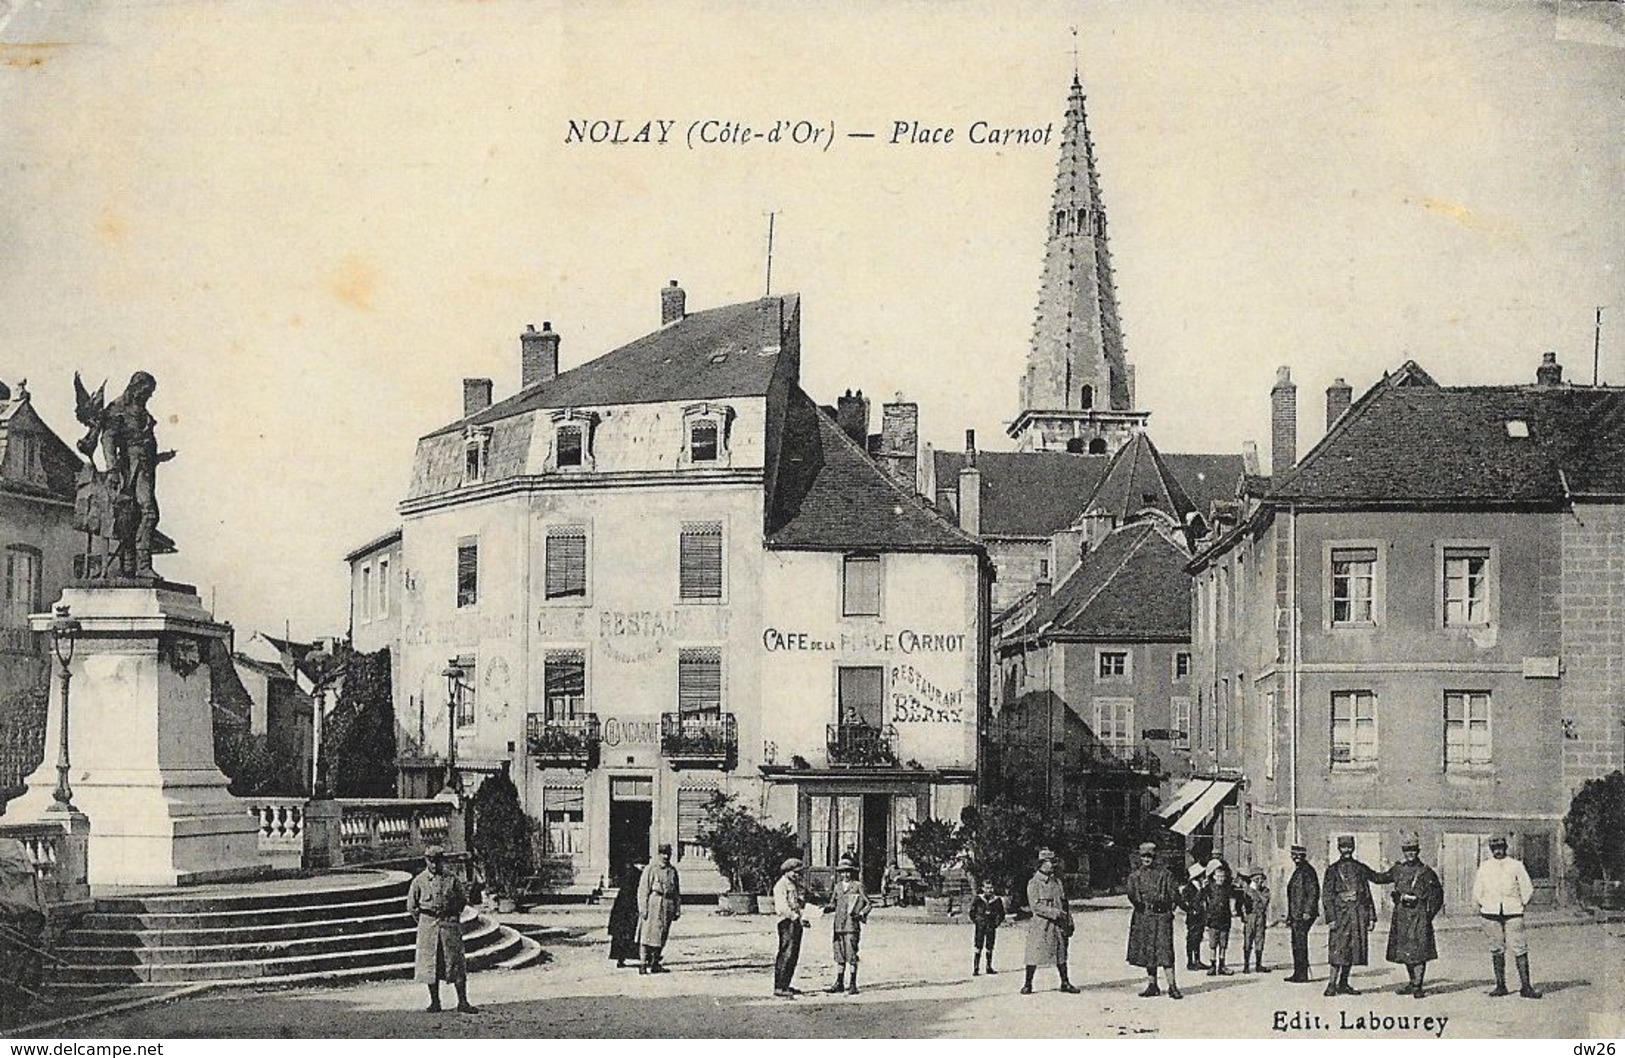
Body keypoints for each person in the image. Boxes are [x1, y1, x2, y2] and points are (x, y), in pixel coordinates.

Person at [1321, 835, 1393, 997]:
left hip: (1357, 915)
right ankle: (1331, 984)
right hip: (1340, 916)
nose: (1346, 850)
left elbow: (1370, 888)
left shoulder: (1360, 868)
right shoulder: (1332, 870)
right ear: (1339, 849)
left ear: (1353, 848)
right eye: (1343, 847)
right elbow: (1326, 896)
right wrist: (1331, 918)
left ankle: (1344, 984)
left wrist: (1371, 917)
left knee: (1352, 950)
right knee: (1337, 949)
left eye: (1349, 847)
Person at [408, 846, 477, 1014]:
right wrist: (425, 921)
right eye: (430, 860)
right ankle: (435, 1002)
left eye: (437, 860)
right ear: (425, 860)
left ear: (442, 860)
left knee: (455, 963)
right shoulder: (419, 881)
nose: (434, 864)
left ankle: (462, 1001)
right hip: (428, 925)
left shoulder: (451, 879)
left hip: (448, 924)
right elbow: (412, 906)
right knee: (431, 964)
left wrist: (451, 917)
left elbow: (461, 900)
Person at [1472, 835, 1542, 999]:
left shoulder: (1516, 865)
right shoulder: (1485, 867)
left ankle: (1526, 987)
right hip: (1491, 913)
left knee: (1519, 948)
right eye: (1494, 848)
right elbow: (1477, 890)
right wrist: (1484, 905)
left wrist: (1519, 904)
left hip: (1513, 912)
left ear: (1506, 847)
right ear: (1491, 849)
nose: (1498, 851)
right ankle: (1500, 985)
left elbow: (1527, 888)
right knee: (1496, 948)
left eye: (1500, 847)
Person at [1383, 832, 1444, 998]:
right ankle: (1412, 983)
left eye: (1413, 850)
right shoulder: (1398, 869)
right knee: (1406, 951)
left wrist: (1428, 914)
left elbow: (1438, 895)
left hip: (1419, 916)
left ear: (1418, 851)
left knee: (1419, 951)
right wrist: (1361, 870)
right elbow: (1380, 878)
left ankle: (1418, 985)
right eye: (1407, 850)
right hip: (1402, 916)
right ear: (1403, 851)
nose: (1410, 853)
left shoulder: (1426, 872)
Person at [1125, 843, 1183, 999]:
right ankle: (1152, 985)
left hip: (1162, 917)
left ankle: (1172, 986)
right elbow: (1131, 893)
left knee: (1165, 951)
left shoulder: (1166, 875)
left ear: (1155, 857)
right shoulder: (1135, 876)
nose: (1146, 859)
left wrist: (1171, 909)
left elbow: (1175, 895)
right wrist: (1140, 905)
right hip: (1144, 917)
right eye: (1143, 856)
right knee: (1148, 952)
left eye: (1149, 856)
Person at [1022, 848, 1079, 994]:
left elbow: (1064, 902)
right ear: (1041, 863)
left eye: (1054, 862)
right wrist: (1055, 912)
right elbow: (1035, 906)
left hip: (1058, 924)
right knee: (1034, 953)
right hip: (1041, 925)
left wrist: (1068, 919)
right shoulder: (1034, 883)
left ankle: (1065, 982)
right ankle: (1028, 984)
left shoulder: (1057, 881)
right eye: (1050, 862)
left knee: (1061, 952)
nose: (1053, 865)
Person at [825, 856, 872, 995]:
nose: (845, 874)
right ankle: (839, 982)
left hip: (852, 925)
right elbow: (833, 904)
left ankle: (852, 983)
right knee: (839, 953)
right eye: (843, 872)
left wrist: (862, 913)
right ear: (839, 873)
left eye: (848, 872)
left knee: (851, 954)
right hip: (838, 926)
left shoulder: (857, 886)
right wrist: (822, 909)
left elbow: (869, 903)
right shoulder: (837, 887)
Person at [636, 844, 681, 974]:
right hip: (654, 903)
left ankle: (655, 963)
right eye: (663, 853)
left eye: (668, 854)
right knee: (647, 934)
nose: (666, 856)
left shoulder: (672, 871)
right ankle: (643, 963)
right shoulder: (651, 869)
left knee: (662, 934)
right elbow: (643, 889)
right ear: (658, 854)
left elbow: (677, 891)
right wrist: (643, 908)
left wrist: (677, 908)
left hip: (668, 903)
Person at [1199, 862, 1248, 976]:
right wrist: (1202, 888)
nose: (1221, 878)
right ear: (1214, 876)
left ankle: (1222, 965)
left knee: (1223, 944)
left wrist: (1233, 910)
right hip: (1213, 920)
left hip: (1225, 919)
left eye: (1222, 876)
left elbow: (1233, 899)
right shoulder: (1209, 888)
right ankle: (1212, 965)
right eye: (1218, 876)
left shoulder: (1228, 888)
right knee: (1212, 944)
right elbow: (1200, 898)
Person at [771, 857, 809, 998]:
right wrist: (795, 917)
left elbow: (797, 903)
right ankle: (779, 986)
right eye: (794, 872)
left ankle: (786, 984)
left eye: (798, 873)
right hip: (786, 922)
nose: (797, 875)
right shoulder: (781, 885)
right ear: (786, 871)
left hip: (795, 921)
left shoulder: (793, 884)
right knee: (786, 953)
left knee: (793, 954)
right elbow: (782, 907)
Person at [1284, 844, 1320, 983]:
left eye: (1299, 855)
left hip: (1303, 914)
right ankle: (1298, 972)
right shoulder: (1298, 871)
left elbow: (1313, 892)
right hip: (1296, 914)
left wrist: (1308, 911)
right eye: (1294, 855)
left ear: (1303, 856)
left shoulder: (1307, 871)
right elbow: (1293, 896)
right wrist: (1289, 916)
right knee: (1297, 943)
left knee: (1300, 943)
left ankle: (1302, 974)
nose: (1296, 857)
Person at [606, 863, 643, 968]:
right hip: (629, 907)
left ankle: (621, 958)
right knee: (629, 933)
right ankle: (625, 957)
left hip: (623, 907)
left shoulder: (630, 872)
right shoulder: (635, 874)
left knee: (623, 934)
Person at [970, 879, 1007, 976]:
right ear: (983, 888)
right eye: (987, 888)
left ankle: (988, 967)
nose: (989, 890)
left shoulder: (997, 900)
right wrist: (977, 921)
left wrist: (996, 923)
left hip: (991, 926)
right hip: (980, 926)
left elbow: (1001, 914)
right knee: (978, 945)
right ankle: (976, 968)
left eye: (991, 888)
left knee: (990, 946)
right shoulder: (978, 899)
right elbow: (972, 912)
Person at [1240, 870, 1271, 973]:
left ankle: (1258, 964)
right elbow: (1242, 902)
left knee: (1260, 939)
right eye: (1256, 879)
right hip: (1250, 916)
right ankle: (1246, 965)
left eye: (1261, 879)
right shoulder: (1246, 890)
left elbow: (1264, 902)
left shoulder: (1265, 891)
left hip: (1260, 917)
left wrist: (1253, 890)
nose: (1259, 881)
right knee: (1248, 939)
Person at [1179, 862, 1209, 971]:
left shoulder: (1202, 887)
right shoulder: (1188, 888)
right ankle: (1190, 962)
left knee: (1199, 938)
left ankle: (1197, 960)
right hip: (1193, 916)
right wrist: (1201, 891)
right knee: (1192, 938)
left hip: (1201, 916)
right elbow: (1189, 902)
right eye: (1202, 875)